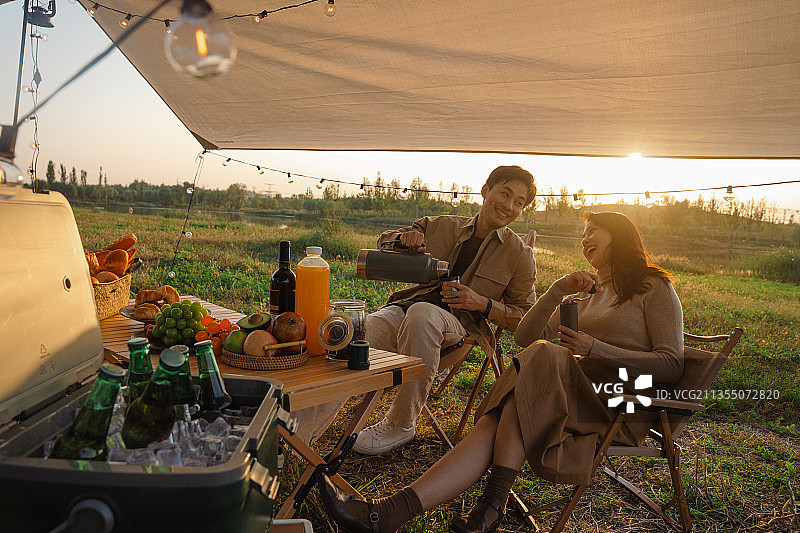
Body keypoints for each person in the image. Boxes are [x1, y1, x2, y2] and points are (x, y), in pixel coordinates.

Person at [318, 211, 684, 533]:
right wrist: (558, 291)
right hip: (569, 398)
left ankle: (491, 503)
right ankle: (387, 515)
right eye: (583, 233)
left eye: (594, 231)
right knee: (504, 410)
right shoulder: (585, 294)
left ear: (620, 235)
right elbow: (527, 335)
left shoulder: (654, 286)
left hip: (620, 402)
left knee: (544, 356)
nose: (585, 240)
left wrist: (594, 348)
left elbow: (672, 363)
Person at [291, 165, 537, 450]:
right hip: (404, 310)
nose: (509, 206)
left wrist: (482, 303)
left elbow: (525, 317)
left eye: (518, 202)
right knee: (357, 334)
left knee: (424, 314)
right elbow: (383, 241)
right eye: (505, 194)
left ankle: (400, 423)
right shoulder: (443, 225)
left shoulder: (520, 255)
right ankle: (296, 432)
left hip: (459, 326)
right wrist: (403, 239)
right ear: (485, 191)